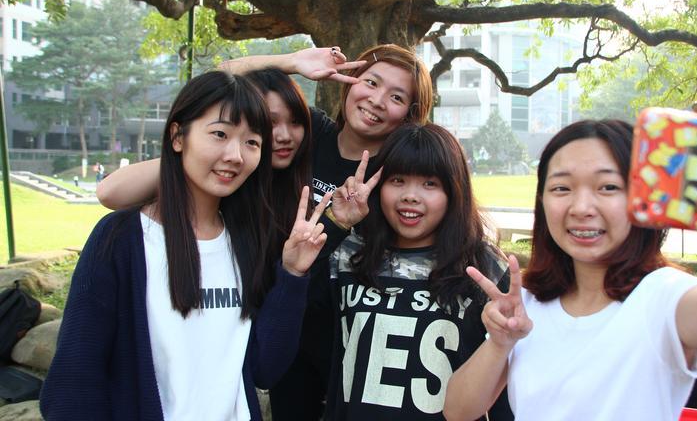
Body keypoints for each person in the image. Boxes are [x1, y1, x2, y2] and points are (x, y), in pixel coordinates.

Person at [95, 45, 435, 420]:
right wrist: (292, 63)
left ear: (410, 113)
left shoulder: (399, 171)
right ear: (349, 82)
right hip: (285, 329)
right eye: (370, 82)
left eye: (396, 97)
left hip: (356, 336)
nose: (377, 100)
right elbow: (222, 83)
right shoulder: (307, 134)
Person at [40, 71, 330, 421]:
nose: (235, 155)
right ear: (178, 137)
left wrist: (292, 274)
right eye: (220, 134)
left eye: (252, 142)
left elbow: (264, 369)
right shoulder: (122, 239)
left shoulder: (247, 241)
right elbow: (73, 382)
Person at [444, 119, 697, 421]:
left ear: (641, 198)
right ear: (541, 200)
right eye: (561, 188)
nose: (582, 208)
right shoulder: (527, 303)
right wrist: (500, 342)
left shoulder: (666, 297)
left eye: (608, 187)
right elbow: (459, 411)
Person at [323, 123, 513, 420]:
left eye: (430, 183)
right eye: (397, 180)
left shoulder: (484, 267)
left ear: (454, 191)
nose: (410, 196)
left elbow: (504, 384)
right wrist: (335, 226)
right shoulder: (348, 253)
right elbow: (307, 331)